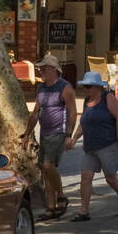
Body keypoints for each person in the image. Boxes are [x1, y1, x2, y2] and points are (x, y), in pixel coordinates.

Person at [65, 70, 118, 221]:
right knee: (85, 177)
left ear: (97, 87)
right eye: (85, 86)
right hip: (90, 146)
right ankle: (84, 211)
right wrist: (74, 139)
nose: (86, 89)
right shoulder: (86, 101)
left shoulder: (107, 98)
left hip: (107, 144)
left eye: (89, 86)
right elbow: (84, 122)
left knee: (110, 178)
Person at [22, 54, 77, 220]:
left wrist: (69, 135)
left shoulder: (65, 87)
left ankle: (61, 196)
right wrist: (27, 134)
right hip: (44, 133)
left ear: (53, 69)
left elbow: (73, 113)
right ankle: (51, 208)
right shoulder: (42, 88)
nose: (40, 71)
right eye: (40, 68)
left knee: (47, 166)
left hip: (58, 133)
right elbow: (35, 113)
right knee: (45, 172)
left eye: (43, 68)